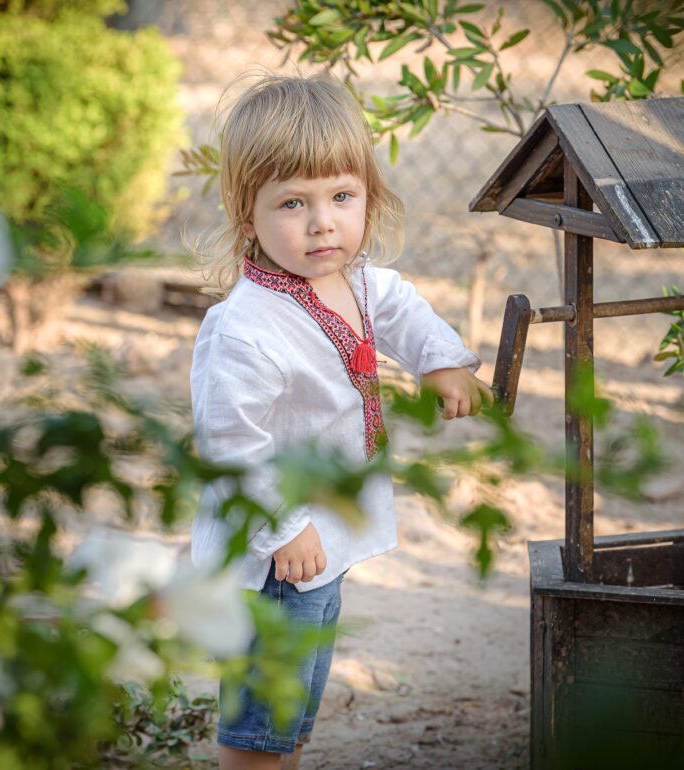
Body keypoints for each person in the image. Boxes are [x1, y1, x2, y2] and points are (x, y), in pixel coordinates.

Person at [189, 72, 493, 770]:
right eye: (293, 202)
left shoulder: (351, 280)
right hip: (277, 555)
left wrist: (440, 361)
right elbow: (230, 444)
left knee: (295, 712)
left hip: (322, 547)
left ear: (368, 198)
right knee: (259, 726)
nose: (323, 221)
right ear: (248, 218)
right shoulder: (245, 328)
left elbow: (400, 306)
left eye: (341, 196)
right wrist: (283, 526)